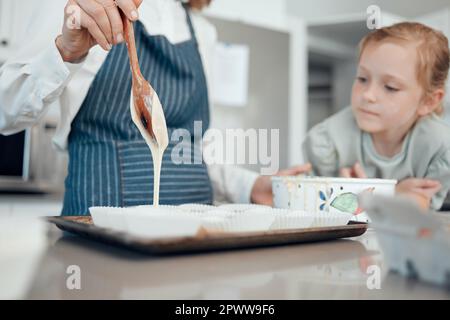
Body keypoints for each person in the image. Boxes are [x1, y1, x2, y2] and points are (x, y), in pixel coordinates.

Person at [0, 0, 310, 215]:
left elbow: (187, 151)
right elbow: (5, 112)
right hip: (101, 240)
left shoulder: (202, 31)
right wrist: (65, 50)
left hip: (191, 241)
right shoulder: (82, 7)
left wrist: (250, 186)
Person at [303, 22, 450, 210]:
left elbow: (419, 209)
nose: (368, 95)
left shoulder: (440, 148)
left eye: (390, 87)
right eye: (362, 79)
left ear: (428, 101)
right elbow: (311, 202)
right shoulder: (328, 139)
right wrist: (392, 194)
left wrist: (367, 194)